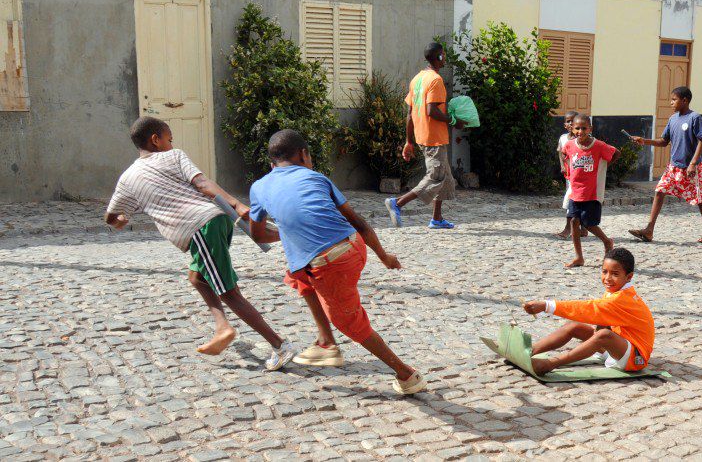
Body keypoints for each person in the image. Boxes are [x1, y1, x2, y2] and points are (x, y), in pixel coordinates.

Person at [104, 117, 295, 370]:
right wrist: (235, 204)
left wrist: (119, 221)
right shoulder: (174, 157)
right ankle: (222, 328)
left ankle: (280, 345)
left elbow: (111, 216)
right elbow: (203, 184)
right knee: (198, 278)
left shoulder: (128, 178)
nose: (172, 145)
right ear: (156, 140)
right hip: (213, 222)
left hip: (200, 229)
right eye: (169, 139)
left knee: (228, 291)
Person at [248, 129, 427, 395]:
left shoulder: (259, 187)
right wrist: (384, 257)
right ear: (304, 155)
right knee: (296, 275)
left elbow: (259, 234)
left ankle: (408, 376)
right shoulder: (316, 177)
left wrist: (286, 230)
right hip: (354, 246)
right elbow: (359, 223)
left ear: (272, 163)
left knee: (351, 324)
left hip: (330, 263)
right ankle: (326, 341)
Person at [522, 247, 654, 375]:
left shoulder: (622, 298)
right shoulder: (615, 292)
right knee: (574, 326)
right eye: (604, 272)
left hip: (635, 357)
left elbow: (587, 309)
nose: (607, 278)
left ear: (629, 277)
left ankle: (550, 364)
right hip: (615, 349)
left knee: (603, 335)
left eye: (615, 274)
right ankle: (528, 351)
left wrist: (547, 305)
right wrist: (594, 340)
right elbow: (601, 318)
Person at [384, 42, 465, 229]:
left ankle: (437, 218)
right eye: (443, 55)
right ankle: (397, 203)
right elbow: (431, 111)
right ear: (438, 57)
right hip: (433, 137)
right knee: (435, 177)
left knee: (445, 178)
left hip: (423, 135)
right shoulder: (436, 80)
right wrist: (454, 121)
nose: (445, 58)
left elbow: (410, 113)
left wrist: (408, 141)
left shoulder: (417, 79)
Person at [628, 86, 702, 243]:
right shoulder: (672, 119)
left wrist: (693, 163)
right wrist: (644, 140)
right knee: (659, 191)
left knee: (698, 198)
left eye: (674, 99)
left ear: (685, 100)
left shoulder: (695, 117)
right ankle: (649, 230)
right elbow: (663, 142)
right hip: (673, 167)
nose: (671, 102)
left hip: (691, 167)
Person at [561, 114, 620, 268]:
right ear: (572, 129)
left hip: (592, 192)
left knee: (588, 224)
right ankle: (579, 257)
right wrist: (566, 169)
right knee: (574, 221)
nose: (580, 131)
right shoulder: (569, 145)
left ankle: (607, 241)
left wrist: (603, 168)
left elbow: (616, 153)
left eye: (584, 128)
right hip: (575, 191)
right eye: (577, 128)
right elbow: (564, 154)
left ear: (590, 129)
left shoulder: (599, 145)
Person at [555, 110, 588, 239]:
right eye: (568, 121)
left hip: (579, 176)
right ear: (565, 125)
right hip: (568, 175)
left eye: (572, 121)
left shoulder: (580, 139)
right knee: (575, 200)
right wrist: (562, 165)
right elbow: (560, 152)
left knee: (571, 200)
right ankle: (583, 228)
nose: (570, 124)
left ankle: (569, 229)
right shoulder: (563, 138)